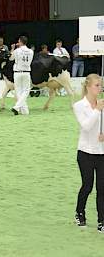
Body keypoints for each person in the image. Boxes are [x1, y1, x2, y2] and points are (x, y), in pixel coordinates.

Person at [73, 74, 104, 233]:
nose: (100, 88)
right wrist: (98, 110)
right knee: (87, 186)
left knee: (102, 188)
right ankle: (79, 212)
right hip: (85, 152)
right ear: (88, 87)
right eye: (97, 85)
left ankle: (102, 221)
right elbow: (86, 126)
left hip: (102, 153)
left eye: (100, 85)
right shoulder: (79, 106)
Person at [9, 36, 34, 115]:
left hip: (17, 72)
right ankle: (25, 111)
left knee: (19, 91)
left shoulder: (17, 51)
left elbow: (11, 59)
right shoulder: (31, 51)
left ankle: (17, 107)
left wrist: (12, 48)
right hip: (26, 72)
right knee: (26, 91)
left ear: (20, 42)